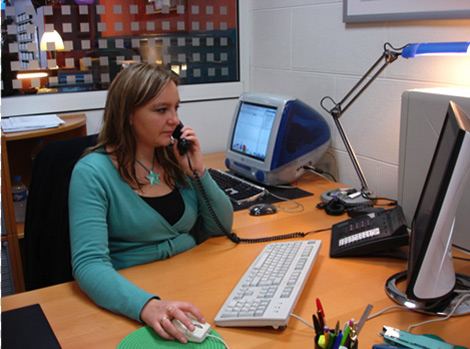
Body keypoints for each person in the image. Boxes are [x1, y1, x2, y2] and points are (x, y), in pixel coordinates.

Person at [68, 63, 234, 344]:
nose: (175, 121)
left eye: (176, 108)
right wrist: (147, 306)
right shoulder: (92, 173)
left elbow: (222, 226)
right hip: (132, 297)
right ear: (128, 115)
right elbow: (89, 264)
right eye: (161, 110)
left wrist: (198, 171)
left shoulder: (171, 157)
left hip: (191, 283)